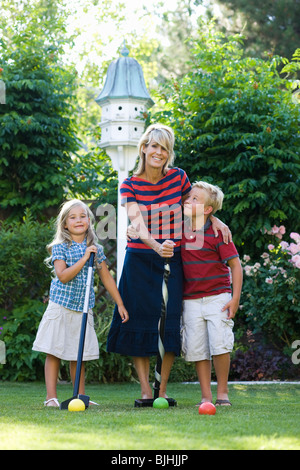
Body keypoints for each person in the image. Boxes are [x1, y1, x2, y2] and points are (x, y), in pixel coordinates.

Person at [107, 123, 231, 400]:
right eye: (154, 146)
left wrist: (217, 218)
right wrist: (154, 246)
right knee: (139, 322)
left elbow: (197, 207)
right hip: (140, 259)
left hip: (173, 261)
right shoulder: (129, 184)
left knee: (168, 324)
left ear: (169, 152)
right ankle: (145, 390)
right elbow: (136, 221)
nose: (158, 152)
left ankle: (161, 391)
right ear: (144, 147)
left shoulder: (178, 178)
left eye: (164, 148)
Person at [33, 199, 128, 407]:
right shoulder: (60, 247)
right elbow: (63, 276)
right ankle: (51, 397)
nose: (78, 220)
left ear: (89, 221)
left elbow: (107, 278)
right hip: (61, 305)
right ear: (65, 224)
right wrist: (85, 258)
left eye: (83, 216)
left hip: (83, 307)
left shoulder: (96, 248)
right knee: (54, 350)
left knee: (79, 355)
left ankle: (79, 397)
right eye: (73, 217)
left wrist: (119, 303)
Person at [181, 181, 243, 406]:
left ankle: (222, 393)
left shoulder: (218, 232)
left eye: (195, 199)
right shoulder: (180, 230)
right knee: (198, 349)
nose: (188, 200)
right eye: (188, 197)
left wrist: (234, 299)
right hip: (191, 300)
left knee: (220, 345)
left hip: (219, 297)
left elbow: (236, 266)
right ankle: (206, 396)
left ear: (207, 209)